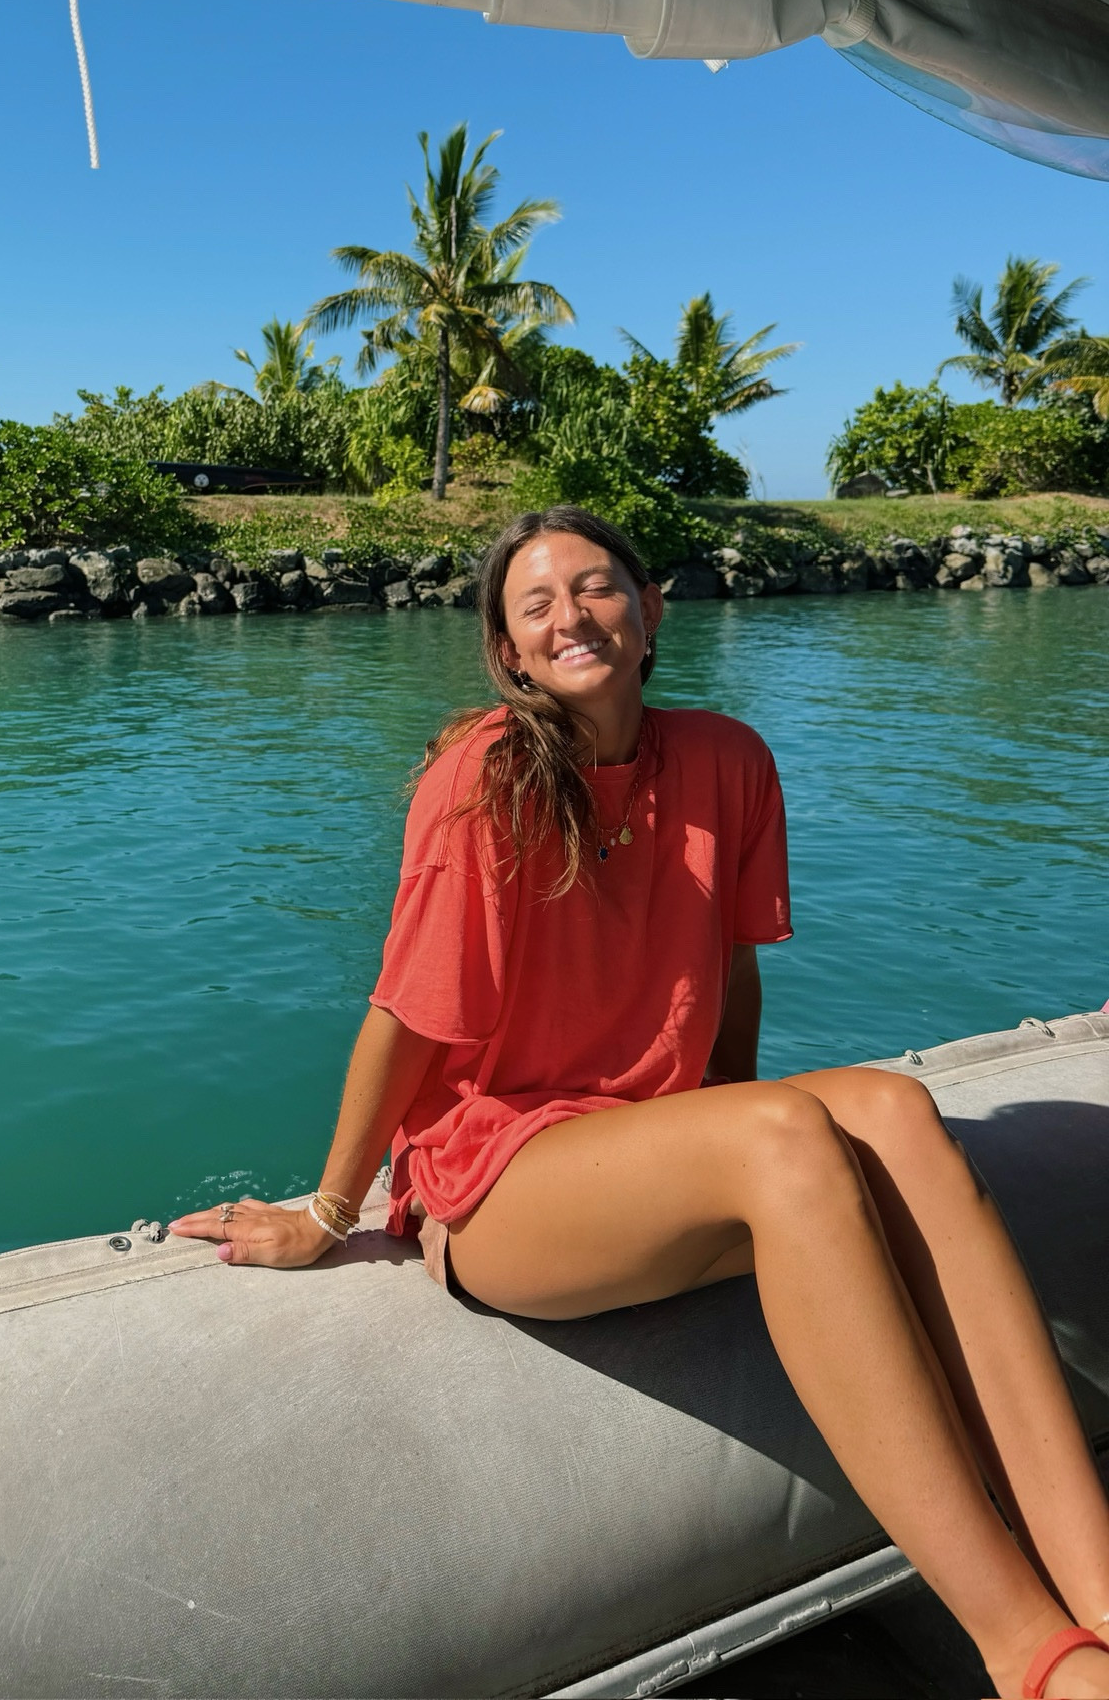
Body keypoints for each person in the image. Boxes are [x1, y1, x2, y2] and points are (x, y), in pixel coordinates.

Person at [171, 504, 1109, 1700]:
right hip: (500, 1174)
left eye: (598, 585)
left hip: (640, 1143)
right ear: (509, 651)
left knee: (893, 1109)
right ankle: (1033, 1654)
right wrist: (328, 1204)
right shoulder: (480, 778)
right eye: (537, 602)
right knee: (785, 1135)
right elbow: (408, 1014)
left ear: (651, 608)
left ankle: (1099, 1592)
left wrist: (751, 1150)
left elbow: (731, 968)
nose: (572, 614)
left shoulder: (728, 760)